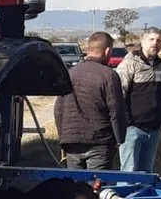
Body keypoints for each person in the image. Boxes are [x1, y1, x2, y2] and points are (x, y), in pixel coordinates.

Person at [54, 31, 127, 170]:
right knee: (97, 188)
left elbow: (58, 109)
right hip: (99, 142)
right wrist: (119, 140)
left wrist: (63, 136)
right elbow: (116, 112)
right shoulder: (109, 76)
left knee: (76, 188)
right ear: (107, 51)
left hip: (71, 142)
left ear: (89, 49)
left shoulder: (69, 73)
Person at [115, 27, 161, 172]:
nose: (155, 43)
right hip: (133, 129)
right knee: (129, 172)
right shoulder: (130, 64)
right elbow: (119, 94)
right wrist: (127, 122)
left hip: (154, 129)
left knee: (147, 171)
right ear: (143, 41)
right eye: (151, 39)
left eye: (159, 40)